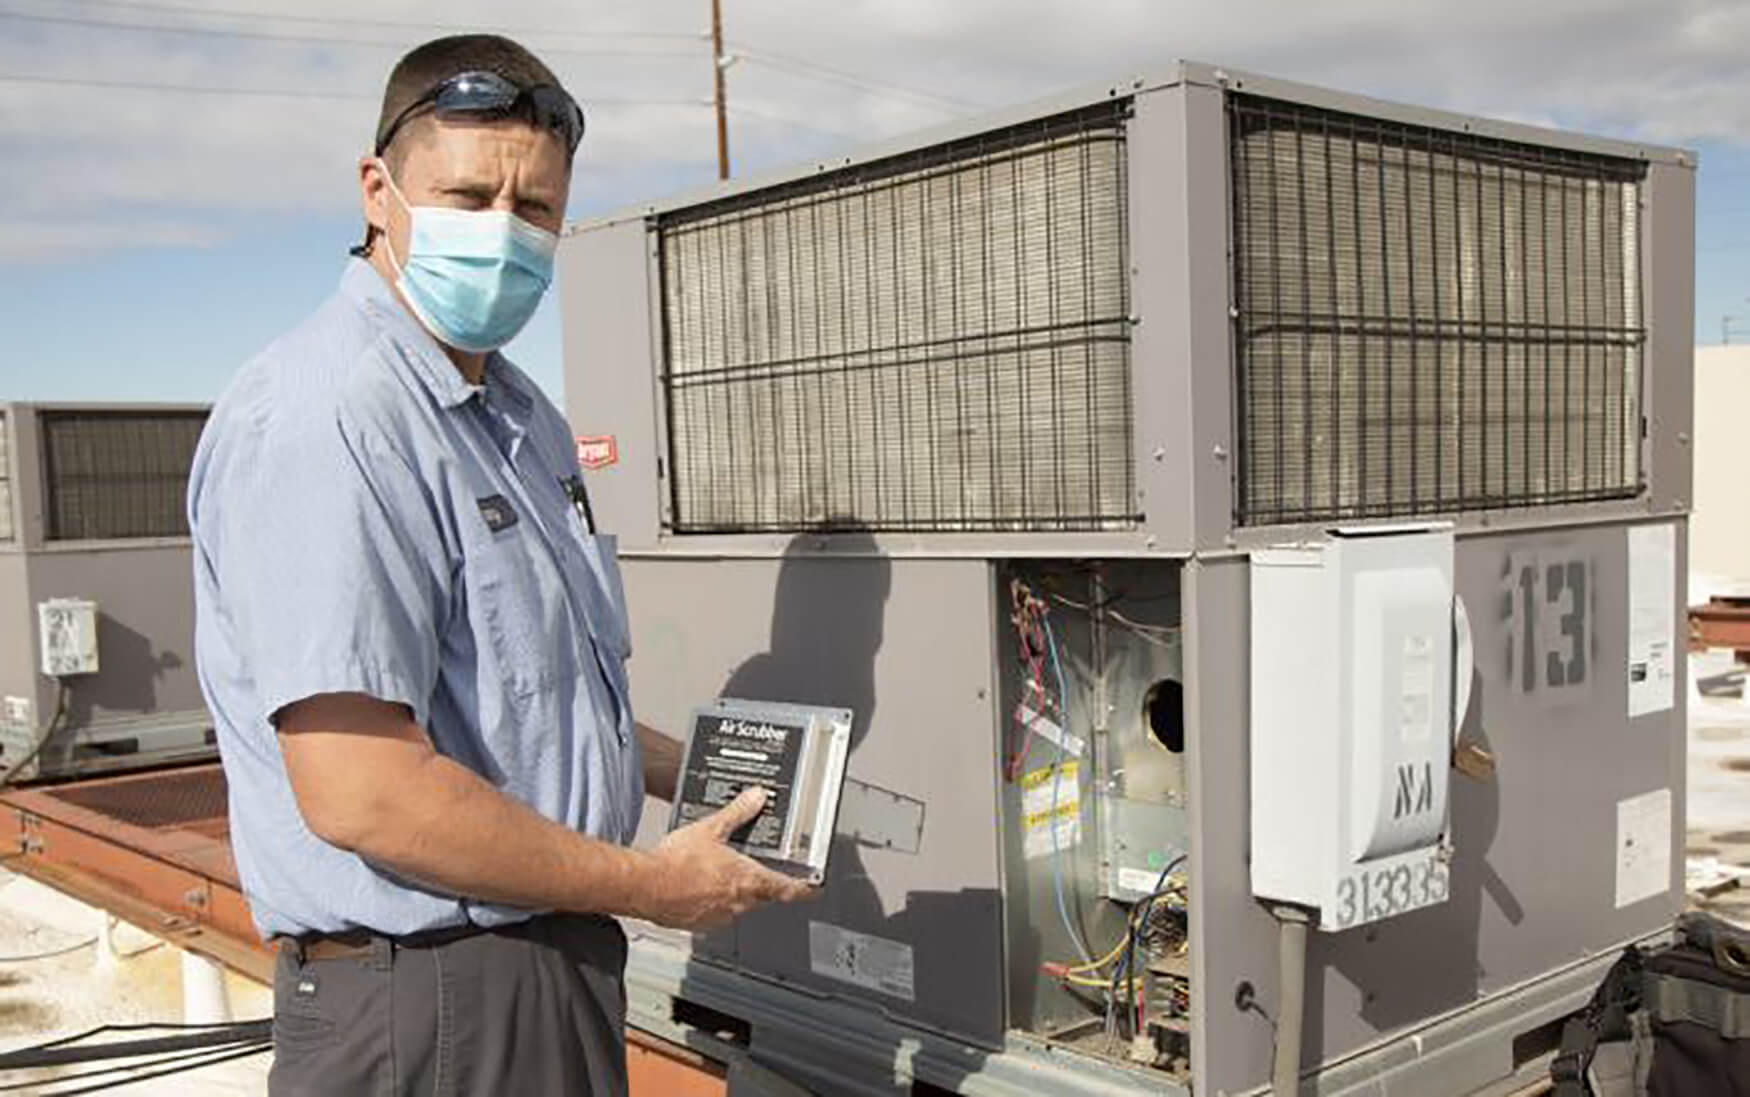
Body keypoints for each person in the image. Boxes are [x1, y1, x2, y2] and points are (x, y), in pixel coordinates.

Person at [187, 34, 812, 1097]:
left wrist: (715, 766)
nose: (503, 233)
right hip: (425, 1004)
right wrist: (655, 886)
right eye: (468, 195)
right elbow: (365, 792)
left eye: (534, 210)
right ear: (378, 192)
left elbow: (531, 693)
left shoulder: (515, 415)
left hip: (534, 976)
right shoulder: (331, 416)